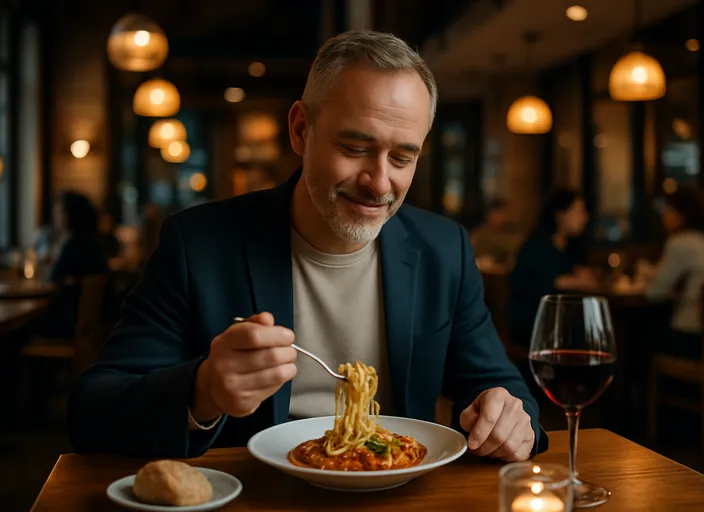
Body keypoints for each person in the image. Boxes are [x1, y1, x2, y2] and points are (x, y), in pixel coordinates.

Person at [68, 29, 547, 461]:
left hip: (395, 487)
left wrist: (508, 416)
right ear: (301, 130)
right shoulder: (198, 245)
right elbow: (92, 410)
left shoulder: (444, 249)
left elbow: (500, 387)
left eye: (402, 157)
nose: (379, 182)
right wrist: (203, 391)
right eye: (355, 148)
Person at [645, 185, 704, 357]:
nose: (664, 216)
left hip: (691, 339)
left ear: (682, 215)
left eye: (668, 210)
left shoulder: (680, 242)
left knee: (643, 332)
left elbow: (654, 294)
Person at [507, 188, 596, 345]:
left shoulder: (572, 246)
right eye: (579, 211)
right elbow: (530, 285)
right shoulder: (535, 246)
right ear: (560, 215)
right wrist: (568, 281)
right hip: (535, 321)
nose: (585, 218)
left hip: (562, 318)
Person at [35, 191, 107, 338]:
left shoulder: (74, 244)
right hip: (85, 324)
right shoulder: (91, 242)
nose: (55, 216)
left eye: (60, 212)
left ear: (71, 215)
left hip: (69, 324)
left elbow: (52, 279)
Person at [471, 199, 522, 272]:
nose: (497, 217)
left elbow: (513, 258)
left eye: (500, 214)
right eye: (494, 213)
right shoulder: (481, 233)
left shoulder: (511, 235)